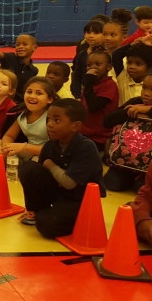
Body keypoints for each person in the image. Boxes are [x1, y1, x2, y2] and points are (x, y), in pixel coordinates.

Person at [17, 99, 104, 234]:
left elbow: (69, 183)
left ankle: (53, 214)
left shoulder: (86, 147)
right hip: (60, 193)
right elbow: (40, 176)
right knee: (29, 168)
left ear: (75, 126)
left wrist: (51, 166)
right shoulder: (50, 146)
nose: (49, 125)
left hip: (80, 199)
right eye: (48, 120)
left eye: (57, 121)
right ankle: (36, 211)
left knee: (47, 225)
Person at [0, 76, 57, 160]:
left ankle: (18, 163)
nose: (32, 96)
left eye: (39, 93)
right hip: (26, 151)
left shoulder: (51, 117)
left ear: (49, 99)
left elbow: (54, 149)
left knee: (37, 161)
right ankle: (14, 161)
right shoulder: (21, 113)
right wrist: (7, 147)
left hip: (43, 154)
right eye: (29, 92)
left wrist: (24, 147)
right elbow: (9, 136)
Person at [80, 50, 120, 155]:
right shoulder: (90, 84)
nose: (92, 68)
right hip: (84, 132)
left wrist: (88, 85)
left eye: (98, 64)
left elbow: (94, 106)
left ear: (109, 67)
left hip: (100, 137)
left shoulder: (110, 85)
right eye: (89, 65)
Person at [0, 34, 38, 104]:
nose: (20, 47)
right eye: (17, 45)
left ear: (34, 48)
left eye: (25, 44)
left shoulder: (33, 71)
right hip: (2, 100)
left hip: (19, 104)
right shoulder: (10, 58)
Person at [71, 17, 106, 99]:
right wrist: (77, 95)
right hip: (83, 91)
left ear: (104, 35)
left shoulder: (105, 54)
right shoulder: (82, 53)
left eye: (96, 33)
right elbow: (77, 76)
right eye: (88, 32)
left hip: (100, 92)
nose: (91, 36)